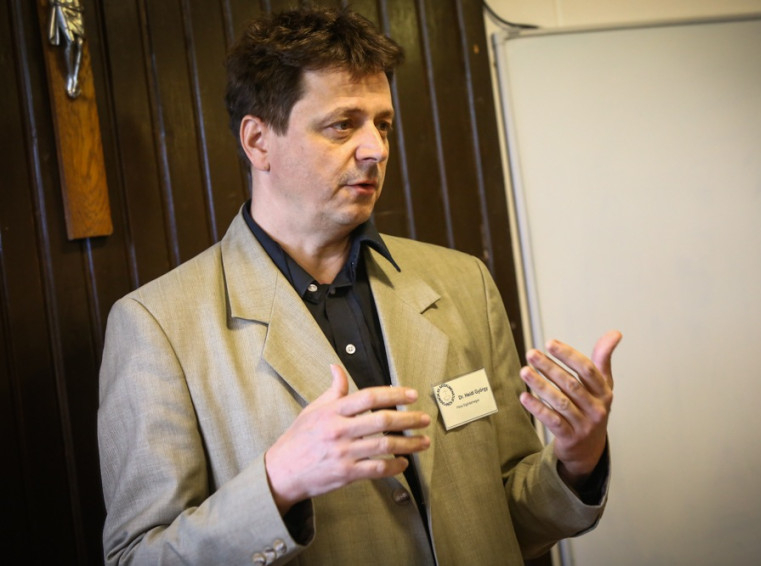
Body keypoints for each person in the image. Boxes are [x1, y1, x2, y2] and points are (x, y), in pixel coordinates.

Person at [98, 7, 621, 565]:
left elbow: (508, 517)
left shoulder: (463, 282)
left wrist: (577, 460)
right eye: (343, 125)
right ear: (258, 141)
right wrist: (277, 482)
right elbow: (136, 557)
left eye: (383, 124)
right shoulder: (157, 327)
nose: (376, 149)